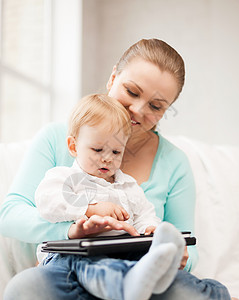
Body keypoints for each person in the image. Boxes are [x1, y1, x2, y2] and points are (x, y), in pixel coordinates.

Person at [0, 38, 231, 299]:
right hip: (72, 265)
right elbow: (10, 214)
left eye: (155, 106)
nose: (137, 110)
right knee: (26, 290)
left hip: (139, 270)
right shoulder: (57, 138)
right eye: (132, 92)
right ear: (113, 78)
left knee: (185, 292)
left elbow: (184, 241)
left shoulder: (173, 163)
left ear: (166, 110)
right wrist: (71, 232)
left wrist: (175, 251)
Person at [34, 93, 185, 300]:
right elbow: (47, 201)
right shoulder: (66, 177)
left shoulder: (128, 185)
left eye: (116, 152)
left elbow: (144, 214)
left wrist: (149, 227)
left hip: (118, 252)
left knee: (141, 257)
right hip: (70, 255)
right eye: (97, 149)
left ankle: (198, 285)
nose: (107, 158)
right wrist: (90, 208)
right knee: (90, 264)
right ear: (73, 146)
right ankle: (125, 285)